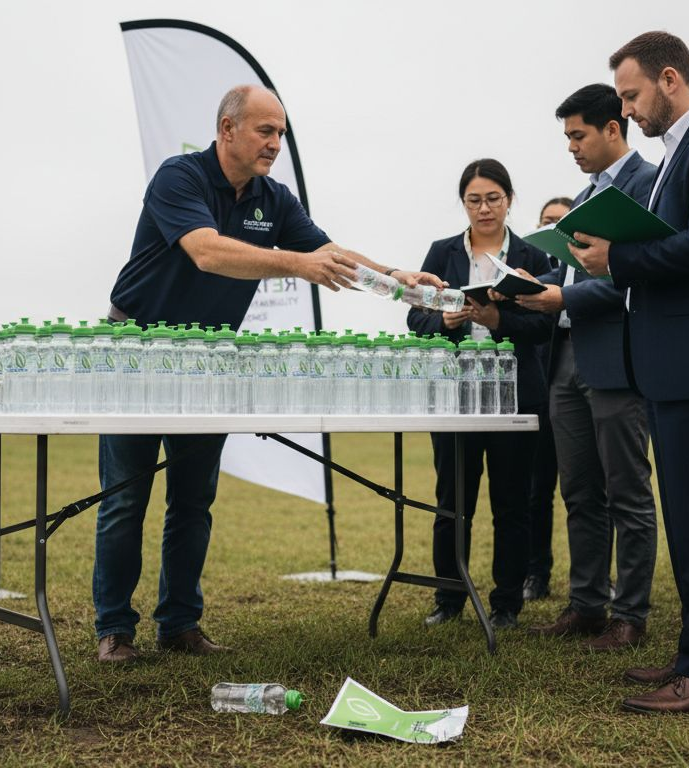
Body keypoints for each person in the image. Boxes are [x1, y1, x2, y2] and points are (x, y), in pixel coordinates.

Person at [95, 84, 441, 663]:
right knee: (127, 498)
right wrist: (296, 264)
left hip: (210, 361)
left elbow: (328, 252)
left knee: (193, 500)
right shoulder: (178, 178)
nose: (276, 143)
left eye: (281, 133)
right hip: (138, 350)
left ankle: (179, 625)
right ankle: (114, 632)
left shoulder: (272, 199)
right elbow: (207, 251)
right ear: (227, 129)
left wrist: (397, 276)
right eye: (265, 131)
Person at [570, 31, 689, 713]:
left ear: (671, 79)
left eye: (630, 96)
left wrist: (615, 262)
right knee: (687, 519)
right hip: (676, 364)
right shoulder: (680, 150)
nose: (625, 111)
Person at [517, 83, 659, 652]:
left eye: (578, 135)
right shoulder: (583, 197)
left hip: (620, 356)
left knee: (627, 490)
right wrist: (532, 286)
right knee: (578, 490)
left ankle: (631, 614)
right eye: (567, 137)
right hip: (567, 359)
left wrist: (562, 299)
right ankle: (586, 605)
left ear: (612, 129)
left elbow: (637, 274)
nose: (571, 147)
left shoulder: (649, 185)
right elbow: (574, 277)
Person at [407, 158, 554, 630]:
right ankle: (448, 599)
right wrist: (445, 321)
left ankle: (507, 603)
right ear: (463, 204)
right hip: (455, 392)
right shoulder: (441, 252)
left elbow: (543, 326)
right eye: (474, 200)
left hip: (514, 392)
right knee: (452, 499)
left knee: (513, 502)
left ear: (509, 200)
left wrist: (498, 321)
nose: (484, 208)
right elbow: (415, 317)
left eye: (493, 198)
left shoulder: (532, 257)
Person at [524, 196, 574, 602]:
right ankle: (536, 573)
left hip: (577, 389)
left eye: (561, 222)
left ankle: (591, 577)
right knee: (537, 491)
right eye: (546, 222)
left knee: (587, 490)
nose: (552, 228)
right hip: (543, 393)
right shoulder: (533, 282)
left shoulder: (574, 278)